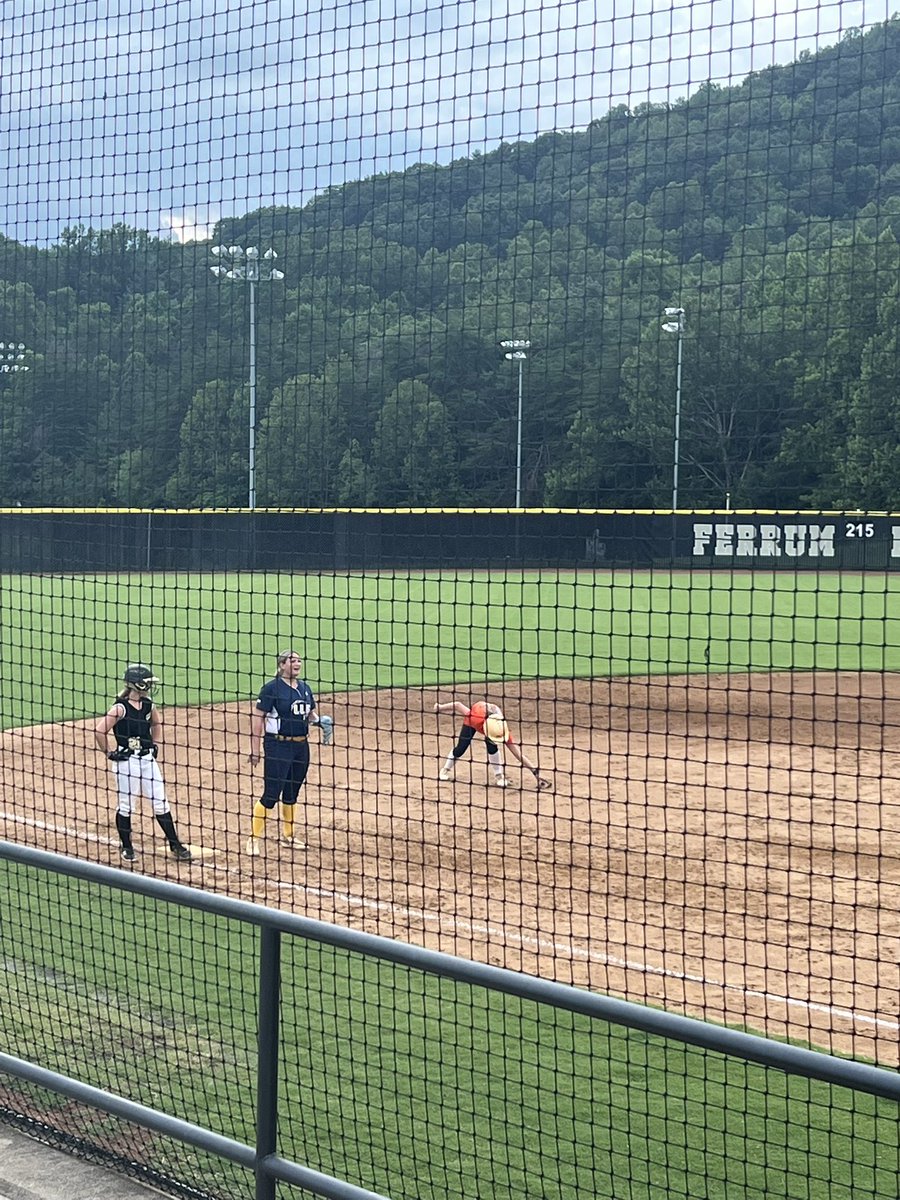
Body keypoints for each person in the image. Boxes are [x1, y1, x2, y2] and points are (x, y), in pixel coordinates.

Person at [94, 664, 192, 863]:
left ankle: (175, 844)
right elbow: (99, 730)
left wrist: (154, 744)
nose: (150, 686)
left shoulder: (148, 705)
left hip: (147, 760)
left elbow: (156, 724)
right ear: (137, 684)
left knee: (160, 801)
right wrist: (109, 753)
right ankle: (127, 847)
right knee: (126, 805)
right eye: (147, 682)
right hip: (127, 762)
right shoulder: (120, 707)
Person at [247, 648, 324, 855]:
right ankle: (253, 839)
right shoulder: (272, 689)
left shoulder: (305, 688)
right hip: (278, 746)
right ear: (282, 665)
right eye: (292, 661)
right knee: (271, 794)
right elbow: (258, 718)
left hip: (301, 746)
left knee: (292, 792)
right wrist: (255, 749)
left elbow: (309, 714)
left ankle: (288, 836)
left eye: (299, 660)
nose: (297, 664)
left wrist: (321, 722)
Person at [433, 699, 551, 789]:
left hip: (489, 721)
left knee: (492, 747)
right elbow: (458, 705)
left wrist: (535, 773)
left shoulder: (500, 727)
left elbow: (518, 754)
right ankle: (445, 770)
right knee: (461, 748)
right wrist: (440, 707)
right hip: (476, 718)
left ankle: (499, 776)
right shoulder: (475, 718)